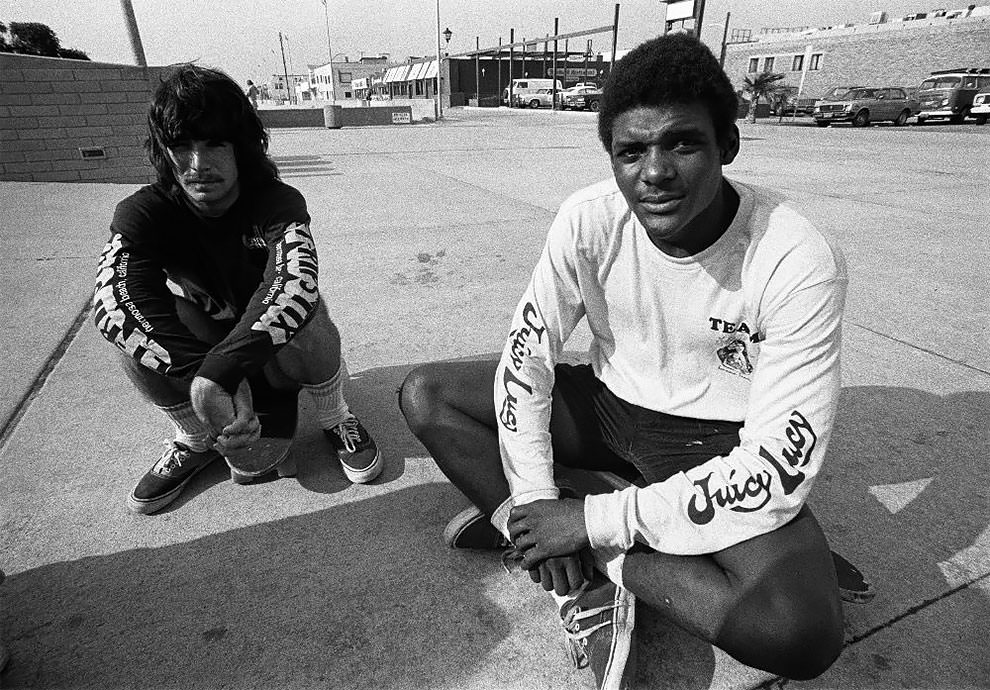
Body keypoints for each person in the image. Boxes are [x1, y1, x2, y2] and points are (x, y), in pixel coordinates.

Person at [400, 34, 847, 689]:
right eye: (631, 151)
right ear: (611, 157)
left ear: (728, 144)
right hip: (607, 409)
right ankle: (552, 546)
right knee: (427, 396)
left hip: (716, 442)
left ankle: (601, 557)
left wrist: (587, 524)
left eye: (682, 143)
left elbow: (778, 467)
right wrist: (533, 497)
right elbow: (527, 363)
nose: (655, 172)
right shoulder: (587, 219)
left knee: (799, 633)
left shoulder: (796, 256)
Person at [94, 64, 381, 515]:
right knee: (128, 334)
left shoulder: (276, 201)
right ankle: (195, 436)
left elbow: (294, 284)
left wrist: (221, 374)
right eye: (181, 146)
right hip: (208, 344)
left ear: (241, 148)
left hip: (281, 353)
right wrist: (207, 378)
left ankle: (334, 416)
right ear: (164, 153)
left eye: (214, 144)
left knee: (303, 308)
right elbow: (115, 299)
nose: (198, 164)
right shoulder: (142, 212)